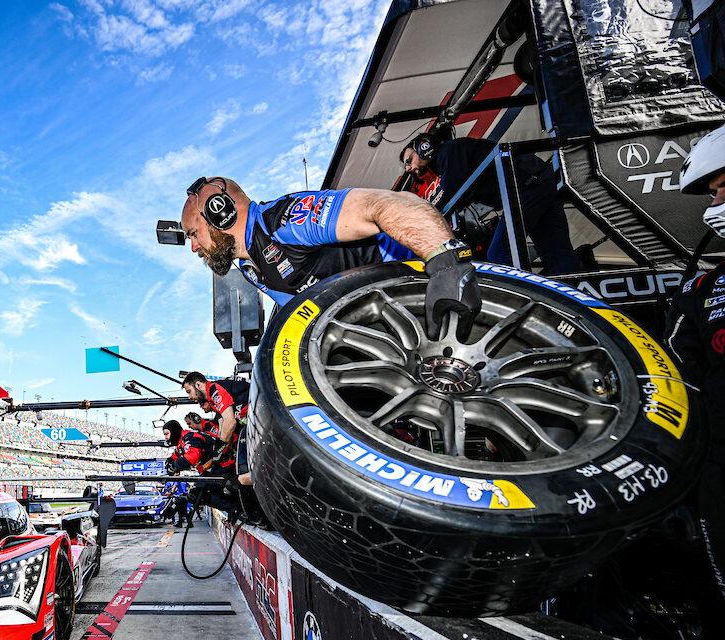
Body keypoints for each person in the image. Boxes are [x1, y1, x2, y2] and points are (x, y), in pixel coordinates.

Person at [180, 175, 482, 341]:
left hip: (434, 297)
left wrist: (447, 265)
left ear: (220, 212)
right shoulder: (250, 268)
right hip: (396, 328)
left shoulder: (284, 221)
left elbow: (387, 204)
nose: (194, 247)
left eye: (194, 233)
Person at [665, 122, 725, 632]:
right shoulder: (705, 286)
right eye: (712, 190)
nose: (715, 201)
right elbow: (681, 372)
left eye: (724, 185)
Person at [401, 133, 579, 275]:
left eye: (409, 160)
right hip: (535, 183)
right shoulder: (449, 158)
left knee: (499, 252)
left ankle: (519, 300)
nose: (408, 168)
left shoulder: (449, 151)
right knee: (557, 253)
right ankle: (578, 301)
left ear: (423, 147)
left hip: (526, 186)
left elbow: (450, 191)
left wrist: (423, 213)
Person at [182, 372, 247, 483]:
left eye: (189, 392)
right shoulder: (213, 402)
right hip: (252, 420)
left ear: (198, 385)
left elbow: (230, 422)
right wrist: (219, 449)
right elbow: (223, 427)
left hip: (260, 413)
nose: (189, 397)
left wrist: (221, 447)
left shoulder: (214, 389)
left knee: (242, 478)